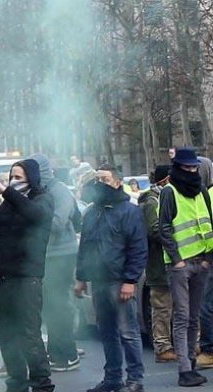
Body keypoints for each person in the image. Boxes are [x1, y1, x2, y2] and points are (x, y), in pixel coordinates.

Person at [0, 158, 55, 392]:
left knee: (29, 334)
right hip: (4, 277)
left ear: (31, 178)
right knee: (6, 335)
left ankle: (42, 384)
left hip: (27, 278)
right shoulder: (10, 204)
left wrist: (7, 191)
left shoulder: (42, 199)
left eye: (18, 177)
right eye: (11, 177)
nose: (13, 182)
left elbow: (35, 215)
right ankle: (17, 382)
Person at [75, 166, 147, 392]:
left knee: (128, 332)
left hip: (119, 281)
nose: (99, 184)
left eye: (105, 179)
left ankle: (135, 379)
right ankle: (112, 379)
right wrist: (81, 278)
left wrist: (130, 280)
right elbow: (85, 246)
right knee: (107, 332)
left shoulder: (129, 211)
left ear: (117, 183)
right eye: (96, 179)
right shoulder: (92, 211)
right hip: (98, 282)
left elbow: (138, 248)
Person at [158, 147, 212, 387]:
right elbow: (165, 228)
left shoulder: (202, 191)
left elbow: (209, 223)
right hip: (180, 265)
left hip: (200, 262)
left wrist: (207, 258)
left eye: (194, 167)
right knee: (182, 317)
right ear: (178, 167)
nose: (191, 170)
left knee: (193, 317)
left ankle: (190, 363)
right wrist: (177, 259)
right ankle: (184, 369)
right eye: (187, 167)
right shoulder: (169, 192)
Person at [29, 153, 81, 372]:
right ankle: (55, 352)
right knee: (50, 305)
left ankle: (67, 355)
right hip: (44, 254)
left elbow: (59, 222)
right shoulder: (37, 191)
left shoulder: (59, 190)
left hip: (60, 254)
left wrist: (28, 219)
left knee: (58, 304)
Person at [138, 165, 176, 363]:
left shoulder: (166, 197)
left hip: (170, 263)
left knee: (175, 308)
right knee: (161, 308)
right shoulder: (152, 202)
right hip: (158, 265)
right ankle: (162, 347)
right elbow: (154, 230)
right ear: (164, 181)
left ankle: (174, 345)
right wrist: (174, 233)